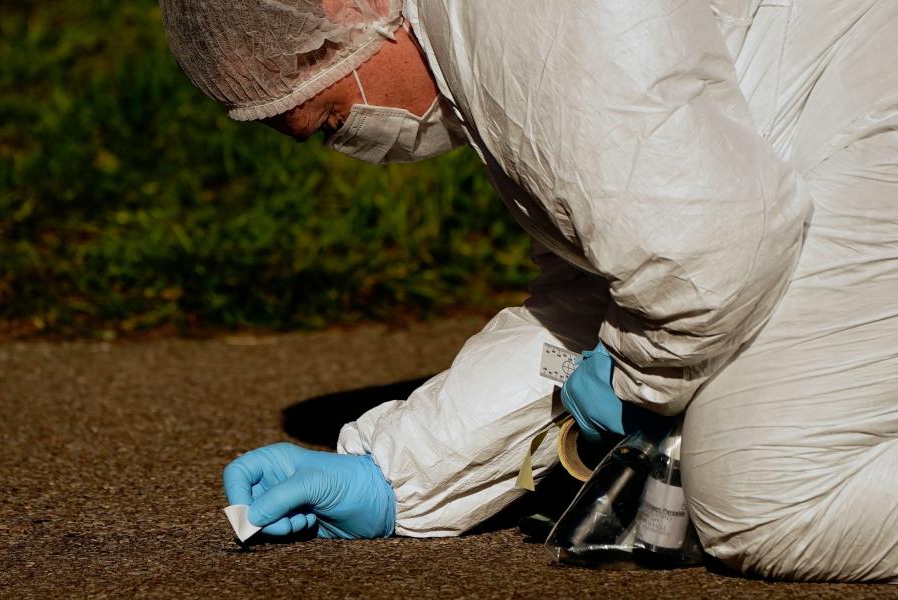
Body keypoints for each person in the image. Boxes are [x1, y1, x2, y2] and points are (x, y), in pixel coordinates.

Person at [160, 0, 898, 582]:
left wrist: (642, 375)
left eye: (329, 118)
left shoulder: (515, 22)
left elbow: (707, 259)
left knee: (770, 498)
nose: (355, 141)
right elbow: (613, 274)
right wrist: (395, 474)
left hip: (868, 107)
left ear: (348, 9)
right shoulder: (475, 36)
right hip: (839, 109)